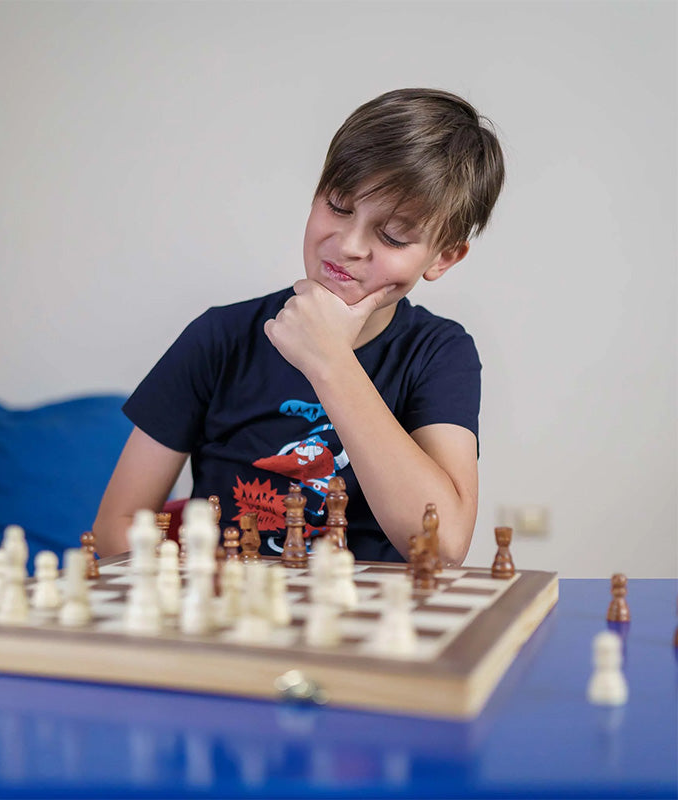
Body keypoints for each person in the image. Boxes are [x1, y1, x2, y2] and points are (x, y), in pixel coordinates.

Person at [93, 88, 505, 565]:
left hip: (367, 627)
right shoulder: (221, 337)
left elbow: (441, 545)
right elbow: (115, 527)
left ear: (444, 256)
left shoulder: (439, 352)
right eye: (338, 205)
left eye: (392, 235)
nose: (348, 244)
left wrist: (330, 360)